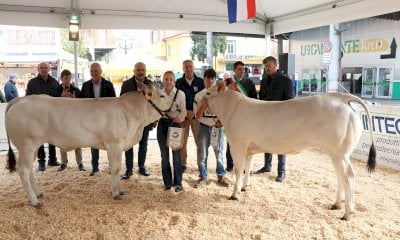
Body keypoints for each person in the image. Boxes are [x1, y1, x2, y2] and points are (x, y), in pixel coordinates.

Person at [253, 56, 295, 182]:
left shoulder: (286, 80)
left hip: (280, 118)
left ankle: (281, 171)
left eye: (269, 66)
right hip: (266, 117)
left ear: (275, 65)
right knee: (266, 141)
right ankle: (267, 166)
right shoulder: (264, 80)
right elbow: (261, 99)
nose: (267, 68)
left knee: (280, 143)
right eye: (265, 67)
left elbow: (291, 101)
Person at [193, 68, 229, 188]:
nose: (210, 80)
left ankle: (221, 176)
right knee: (202, 154)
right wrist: (203, 106)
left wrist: (221, 120)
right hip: (203, 127)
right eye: (208, 78)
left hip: (217, 127)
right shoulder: (199, 95)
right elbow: (197, 116)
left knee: (219, 152)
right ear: (204, 80)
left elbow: (225, 111)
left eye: (213, 78)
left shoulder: (220, 94)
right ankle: (203, 176)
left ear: (215, 80)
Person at [79, 62, 116, 176]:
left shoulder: (108, 85)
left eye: (96, 71)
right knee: (94, 144)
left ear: (100, 72)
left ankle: (112, 167)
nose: (94, 73)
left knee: (110, 144)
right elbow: (80, 102)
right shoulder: (85, 85)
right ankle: (95, 168)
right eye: (92, 71)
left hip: (107, 120)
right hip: (92, 120)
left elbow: (114, 102)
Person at [119, 62, 154, 179]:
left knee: (143, 144)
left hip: (145, 121)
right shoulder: (126, 84)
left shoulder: (151, 85)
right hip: (130, 122)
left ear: (145, 71)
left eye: (143, 70)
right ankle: (129, 170)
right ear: (134, 71)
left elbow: (154, 104)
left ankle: (142, 167)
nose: (140, 72)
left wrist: (154, 120)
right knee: (128, 145)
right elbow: (121, 103)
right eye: (138, 70)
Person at [26, 62, 61, 171]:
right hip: (37, 116)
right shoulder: (32, 83)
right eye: (42, 68)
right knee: (39, 139)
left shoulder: (54, 82)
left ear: (49, 69)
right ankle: (41, 162)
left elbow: (58, 98)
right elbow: (28, 98)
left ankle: (52, 159)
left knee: (53, 137)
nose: (44, 69)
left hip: (51, 115)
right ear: (38, 69)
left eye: (46, 68)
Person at [225, 61, 257, 172]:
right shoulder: (228, 82)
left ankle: (243, 166)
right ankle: (229, 165)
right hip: (232, 116)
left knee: (245, 142)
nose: (242, 71)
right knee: (231, 140)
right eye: (239, 69)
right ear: (234, 70)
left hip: (246, 117)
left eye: (243, 69)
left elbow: (254, 100)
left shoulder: (249, 82)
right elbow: (223, 99)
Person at [157, 71, 186, 192]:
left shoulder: (180, 94)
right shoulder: (158, 93)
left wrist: (180, 117)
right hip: (162, 124)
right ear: (163, 80)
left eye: (170, 79)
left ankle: (178, 183)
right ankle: (167, 183)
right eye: (166, 79)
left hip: (175, 124)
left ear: (174, 81)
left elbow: (183, 111)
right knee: (164, 156)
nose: (168, 82)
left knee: (176, 156)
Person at [175, 60, 204, 173]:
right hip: (183, 116)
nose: (188, 69)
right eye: (186, 67)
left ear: (193, 67)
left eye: (190, 66)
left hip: (197, 116)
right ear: (183, 69)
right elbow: (176, 99)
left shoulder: (200, 81)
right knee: (182, 141)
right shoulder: (178, 82)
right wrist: (185, 111)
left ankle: (201, 163)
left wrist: (194, 111)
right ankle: (183, 163)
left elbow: (202, 99)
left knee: (199, 141)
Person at [55, 69, 85, 172]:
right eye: (65, 78)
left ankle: (80, 163)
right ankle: (63, 163)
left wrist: (75, 99)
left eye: (69, 78)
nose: (67, 80)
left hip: (74, 119)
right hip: (61, 119)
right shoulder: (56, 89)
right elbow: (51, 104)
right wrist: (60, 97)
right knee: (62, 141)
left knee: (78, 140)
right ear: (61, 79)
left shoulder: (76, 89)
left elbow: (83, 103)